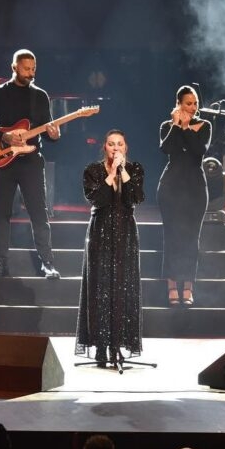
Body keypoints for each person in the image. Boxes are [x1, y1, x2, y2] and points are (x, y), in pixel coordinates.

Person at [0, 49, 60, 279]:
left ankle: (47, 263)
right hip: (4, 161)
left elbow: (48, 132)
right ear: (14, 68)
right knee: (1, 212)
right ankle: (0, 263)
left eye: (33, 69)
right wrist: (4, 137)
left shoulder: (40, 96)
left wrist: (54, 134)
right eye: (26, 69)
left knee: (39, 212)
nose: (31, 73)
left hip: (31, 159)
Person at [75, 129, 144, 367]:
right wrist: (111, 172)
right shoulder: (92, 171)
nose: (116, 148)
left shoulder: (134, 170)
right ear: (104, 147)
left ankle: (118, 344)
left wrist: (122, 172)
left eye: (120, 144)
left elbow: (134, 198)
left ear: (126, 148)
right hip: (101, 231)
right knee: (100, 286)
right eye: (111, 144)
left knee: (123, 286)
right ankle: (101, 346)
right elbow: (97, 199)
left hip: (125, 232)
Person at [157, 85, 211, 307]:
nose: (193, 107)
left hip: (195, 187)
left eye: (195, 103)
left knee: (191, 238)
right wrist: (178, 126)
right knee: (171, 236)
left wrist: (187, 126)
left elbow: (200, 150)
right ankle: (171, 285)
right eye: (188, 103)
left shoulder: (205, 125)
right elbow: (167, 148)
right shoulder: (167, 126)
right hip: (171, 186)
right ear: (178, 103)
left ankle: (188, 286)